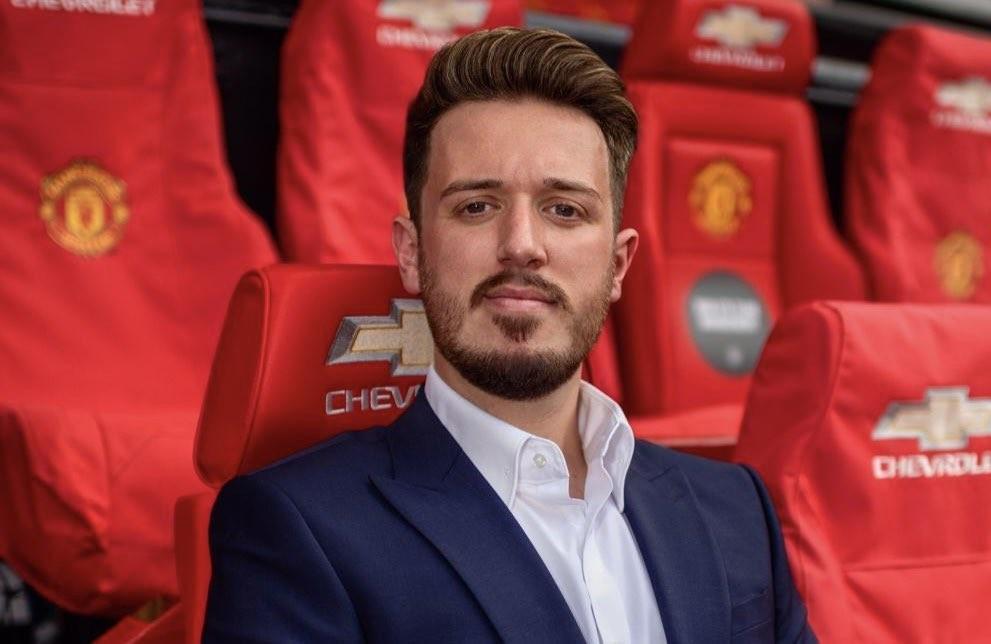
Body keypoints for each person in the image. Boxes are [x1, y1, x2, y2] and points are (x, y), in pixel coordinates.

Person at [203, 27, 815, 643]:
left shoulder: (739, 510)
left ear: (617, 265)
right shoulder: (295, 528)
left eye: (565, 209)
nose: (521, 244)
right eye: (477, 206)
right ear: (412, 252)